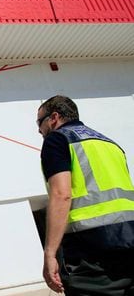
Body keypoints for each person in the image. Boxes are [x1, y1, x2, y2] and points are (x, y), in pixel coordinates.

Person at [37, 95, 134, 295]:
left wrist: (50, 253)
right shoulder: (111, 144)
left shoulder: (58, 140)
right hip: (129, 240)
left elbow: (61, 194)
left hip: (90, 250)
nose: (39, 129)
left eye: (40, 122)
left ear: (54, 117)